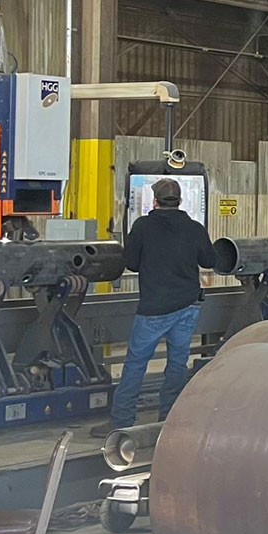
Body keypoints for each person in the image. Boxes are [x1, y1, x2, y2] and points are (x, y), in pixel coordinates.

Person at [98, 179, 216, 435]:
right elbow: (209, 259)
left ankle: (121, 421)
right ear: (181, 201)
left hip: (154, 308)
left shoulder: (143, 226)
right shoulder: (194, 228)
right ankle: (167, 420)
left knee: (136, 363)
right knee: (177, 363)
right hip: (188, 305)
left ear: (154, 201)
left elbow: (131, 263)